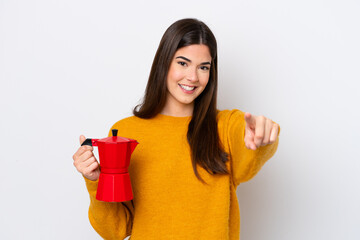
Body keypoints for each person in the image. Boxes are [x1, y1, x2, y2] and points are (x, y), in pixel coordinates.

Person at [73, 18, 280, 240]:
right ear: (164, 63)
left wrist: (262, 136)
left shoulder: (226, 126)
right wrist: (95, 181)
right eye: (183, 63)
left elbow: (248, 151)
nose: (193, 77)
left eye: (203, 67)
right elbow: (115, 230)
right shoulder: (125, 132)